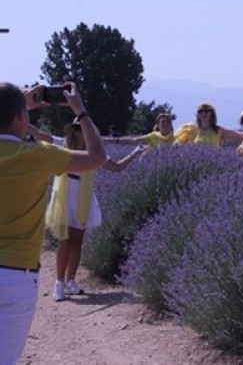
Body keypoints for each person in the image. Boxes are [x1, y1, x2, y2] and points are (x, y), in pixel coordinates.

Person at [0, 82, 106, 364]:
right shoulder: (38, 156)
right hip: (16, 274)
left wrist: (20, 104)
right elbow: (98, 156)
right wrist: (80, 110)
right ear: (21, 117)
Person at [30, 123, 145, 301]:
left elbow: (116, 167)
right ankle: (59, 283)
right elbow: (40, 135)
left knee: (77, 241)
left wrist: (135, 153)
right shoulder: (63, 146)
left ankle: (71, 280)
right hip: (64, 197)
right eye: (79, 129)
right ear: (74, 133)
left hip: (83, 198)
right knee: (64, 241)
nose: (83, 133)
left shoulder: (96, 153)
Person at [173, 102, 243, 147]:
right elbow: (179, 145)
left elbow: (237, 136)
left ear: (211, 114)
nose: (203, 113)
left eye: (206, 111)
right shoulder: (192, 129)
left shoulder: (218, 130)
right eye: (200, 111)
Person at [102, 112, 175, 149]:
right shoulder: (153, 137)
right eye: (162, 122)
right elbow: (133, 141)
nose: (165, 124)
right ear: (158, 125)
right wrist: (109, 140)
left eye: (168, 121)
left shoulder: (178, 136)